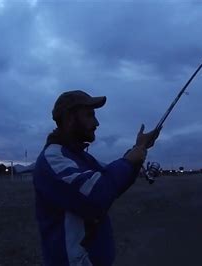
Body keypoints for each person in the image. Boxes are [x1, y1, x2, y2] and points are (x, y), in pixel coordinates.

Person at [32, 90, 160, 266]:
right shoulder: (52, 159)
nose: (97, 122)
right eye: (90, 115)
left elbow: (113, 184)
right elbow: (96, 195)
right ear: (70, 119)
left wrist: (139, 148)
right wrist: (129, 160)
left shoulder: (81, 157)